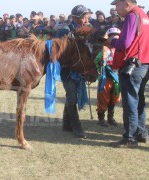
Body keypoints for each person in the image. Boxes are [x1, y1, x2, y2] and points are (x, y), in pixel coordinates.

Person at [107, 0, 149, 148]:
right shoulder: (143, 15)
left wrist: (112, 41)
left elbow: (125, 43)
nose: (115, 9)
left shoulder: (132, 16)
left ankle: (130, 139)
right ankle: (141, 133)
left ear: (125, 3)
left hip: (133, 65)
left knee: (130, 101)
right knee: (139, 100)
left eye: (116, 5)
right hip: (144, 63)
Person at [56, 5, 92, 138]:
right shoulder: (64, 30)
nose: (87, 19)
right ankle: (77, 127)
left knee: (72, 95)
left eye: (88, 16)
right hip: (68, 70)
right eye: (85, 16)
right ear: (76, 18)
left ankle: (66, 124)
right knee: (72, 96)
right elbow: (60, 52)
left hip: (80, 68)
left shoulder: (87, 29)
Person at [95, 27, 122, 127]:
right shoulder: (104, 51)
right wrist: (101, 64)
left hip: (117, 78)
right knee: (103, 98)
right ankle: (101, 118)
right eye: (112, 37)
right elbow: (96, 62)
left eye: (117, 37)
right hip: (106, 78)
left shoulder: (121, 50)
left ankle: (110, 118)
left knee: (115, 98)